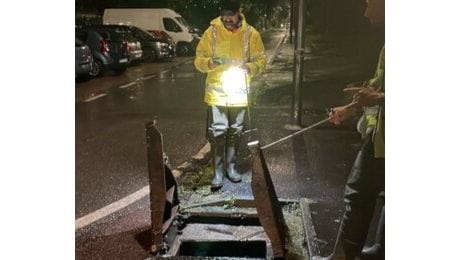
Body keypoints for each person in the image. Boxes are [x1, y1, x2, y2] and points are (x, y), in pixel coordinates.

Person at [312, 0, 385, 259]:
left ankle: (341, 257)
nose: (366, 12)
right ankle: (380, 250)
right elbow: (376, 87)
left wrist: (378, 99)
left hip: (385, 141)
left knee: (358, 192)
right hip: (381, 136)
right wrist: (351, 107)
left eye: (370, 4)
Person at [194, 0, 267, 190]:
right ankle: (218, 173)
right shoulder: (212, 32)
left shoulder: (251, 34)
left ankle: (231, 168)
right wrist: (208, 63)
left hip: (239, 93)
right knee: (218, 133)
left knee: (235, 132)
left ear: (239, 12)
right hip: (217, 93)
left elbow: (261, 60)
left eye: (231, 15)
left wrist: (250, 67)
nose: (227, 18)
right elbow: (199, 59)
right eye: (224, 14)